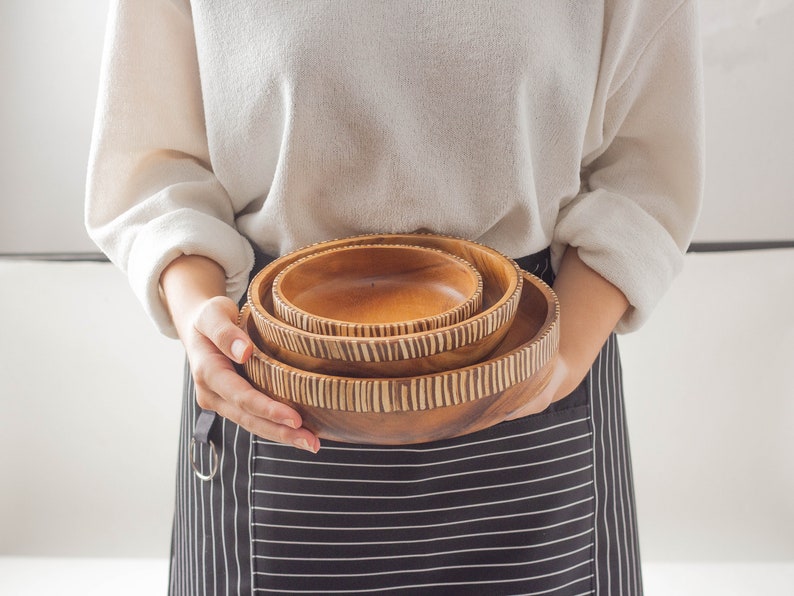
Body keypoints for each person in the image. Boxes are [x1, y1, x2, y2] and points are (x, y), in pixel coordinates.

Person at [86, 1, 703, 593]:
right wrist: (200, 315)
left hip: (530, 400)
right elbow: (154, 162)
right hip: (277, 394)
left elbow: (645, 168)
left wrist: (560, 358)